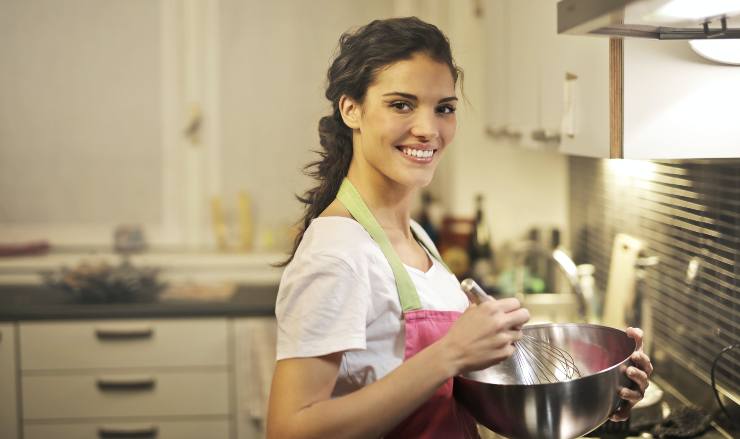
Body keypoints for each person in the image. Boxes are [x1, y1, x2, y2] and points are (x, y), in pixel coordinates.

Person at [266, 17, 653, 439]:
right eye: (401, 104)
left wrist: (596, 394)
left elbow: (445, 393)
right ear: (351, 109)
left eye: (444, 108)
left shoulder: (416, 237)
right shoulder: (338, 253)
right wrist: (449, 354)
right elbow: (289, 430)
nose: (428, 129)